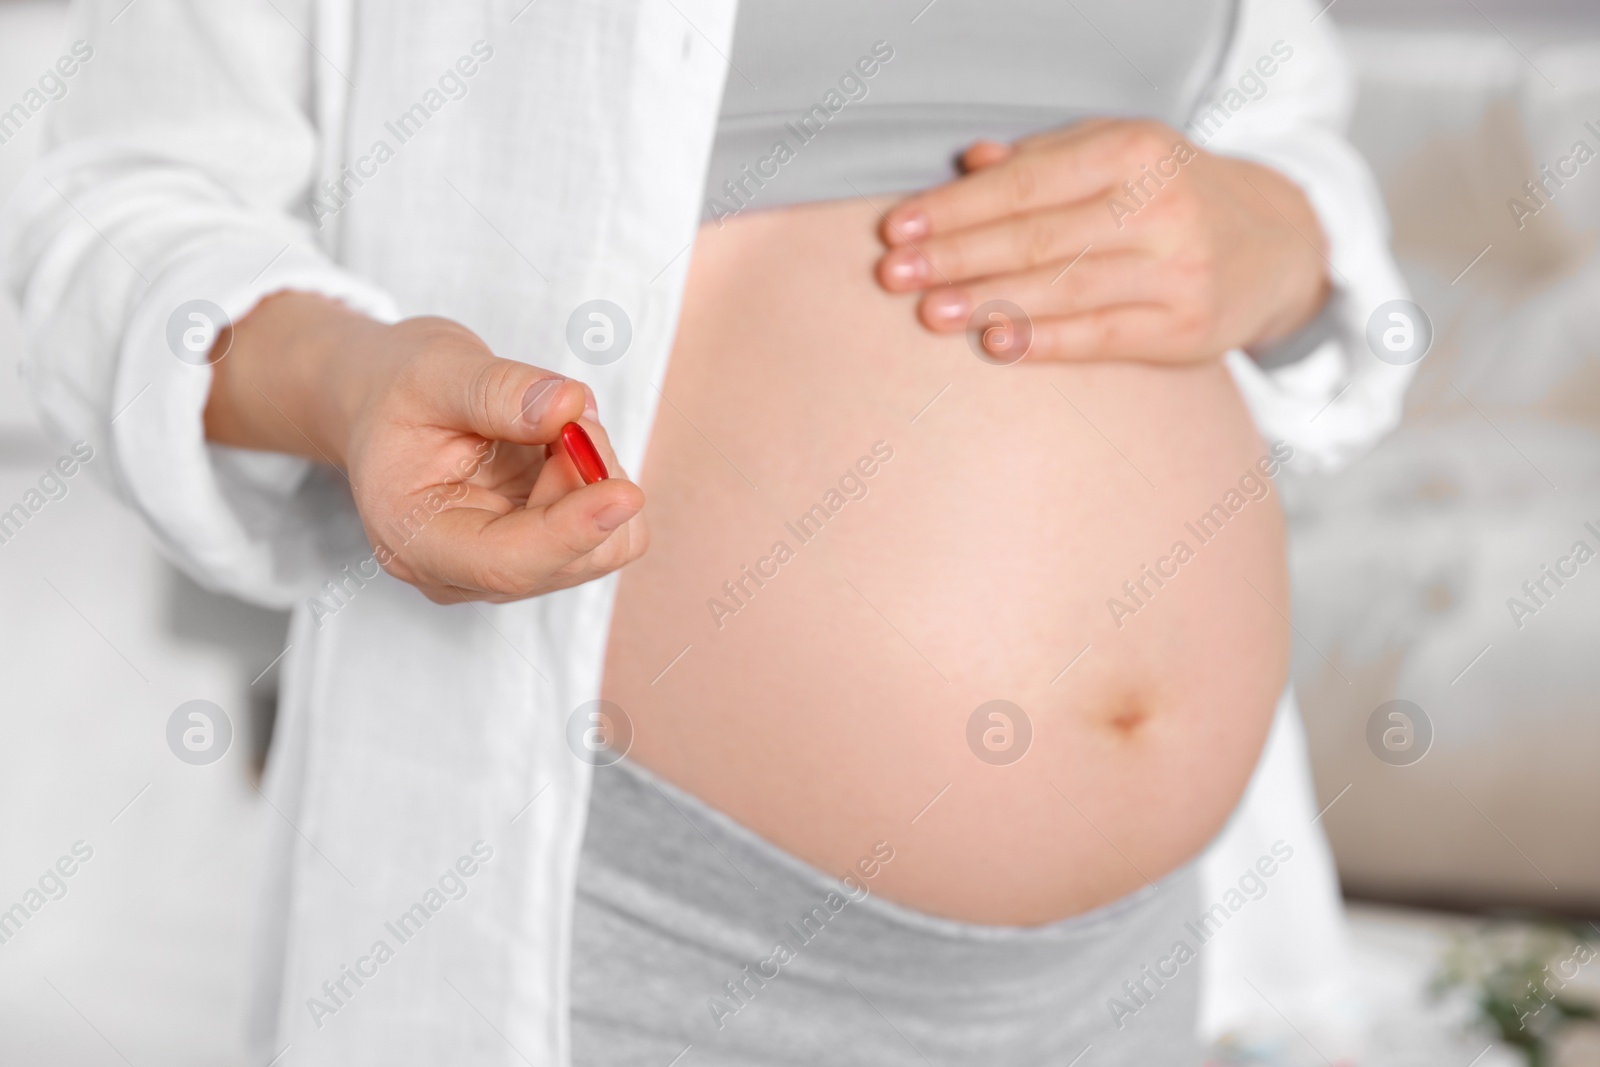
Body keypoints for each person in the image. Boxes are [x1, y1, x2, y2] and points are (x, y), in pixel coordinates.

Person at [0, 0, 1414, 1063]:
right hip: (626, 908)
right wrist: (347, 379)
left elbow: (1280, 137)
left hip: (1140, 944)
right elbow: (104, 209)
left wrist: (1286, 234)